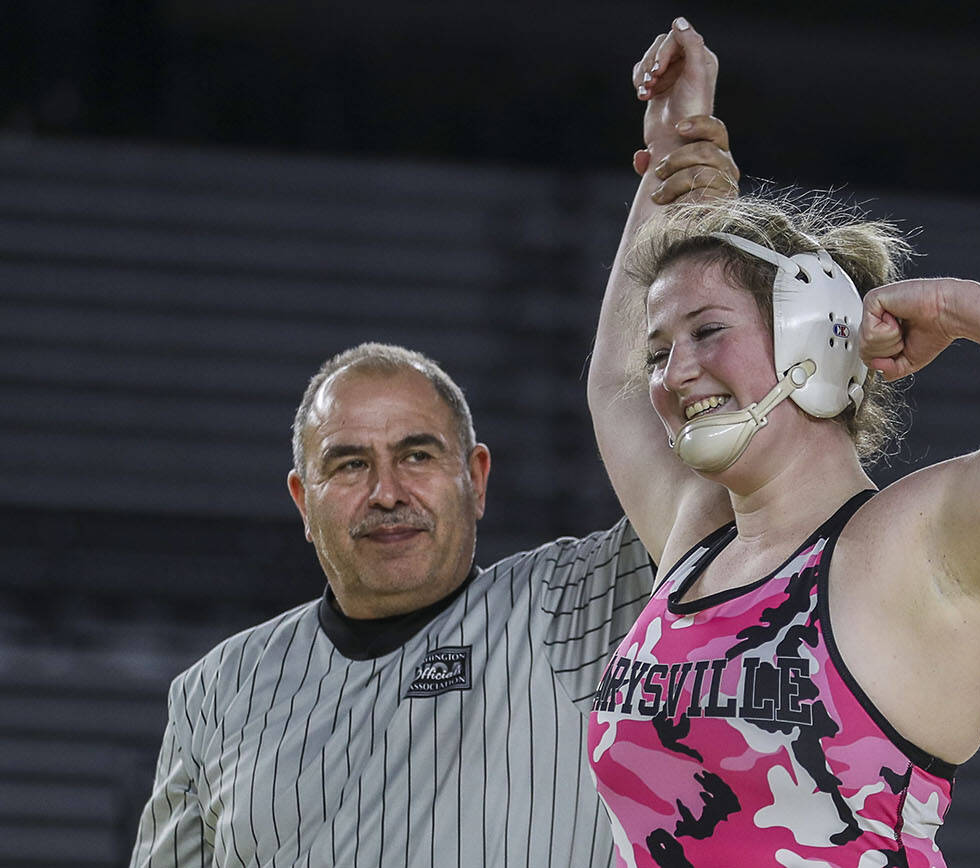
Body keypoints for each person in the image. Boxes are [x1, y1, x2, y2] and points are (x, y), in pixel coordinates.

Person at [585, 19, 980, 868]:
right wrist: (668, 168)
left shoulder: (916, 544)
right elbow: (614, 385)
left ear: (812, 338)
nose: (674, 372)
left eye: (707, 331)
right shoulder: (695, 539)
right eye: (662, 349)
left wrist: (959, 307)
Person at [127, 42, 739, 868]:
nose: (387, 491)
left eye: (417, 455)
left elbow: (676, 421)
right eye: (348, 464)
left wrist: (679, 183)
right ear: (303, 502)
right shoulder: (215, 695)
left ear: (476, 478)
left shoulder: (584, 606)